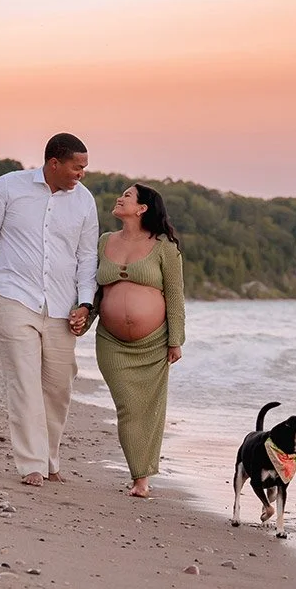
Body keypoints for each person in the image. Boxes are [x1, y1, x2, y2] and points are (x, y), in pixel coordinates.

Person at [0, 132, 98, 488]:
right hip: (13, 296)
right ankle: (31, 463)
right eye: (76, 166)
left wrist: (85, 302)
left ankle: (50, 458)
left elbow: (86, 257)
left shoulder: (84, 202)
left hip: (62, 305)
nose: (82, 173)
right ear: (54, 163)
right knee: (24, 380)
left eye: (84, 167)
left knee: (58, 386)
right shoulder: (8, 187)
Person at [94, 184, 186, 498]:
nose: (120, 198)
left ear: (142, 208)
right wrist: (84, 315)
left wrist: (176, 340)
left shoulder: (164, 246)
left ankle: (141, 480)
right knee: (128, 406)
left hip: (153, 343)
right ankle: (139, 473)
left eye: (128, 196)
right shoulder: (105, 241)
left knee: (149, 408)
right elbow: (95, 290)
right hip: (111, 342)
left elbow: (174, 297)